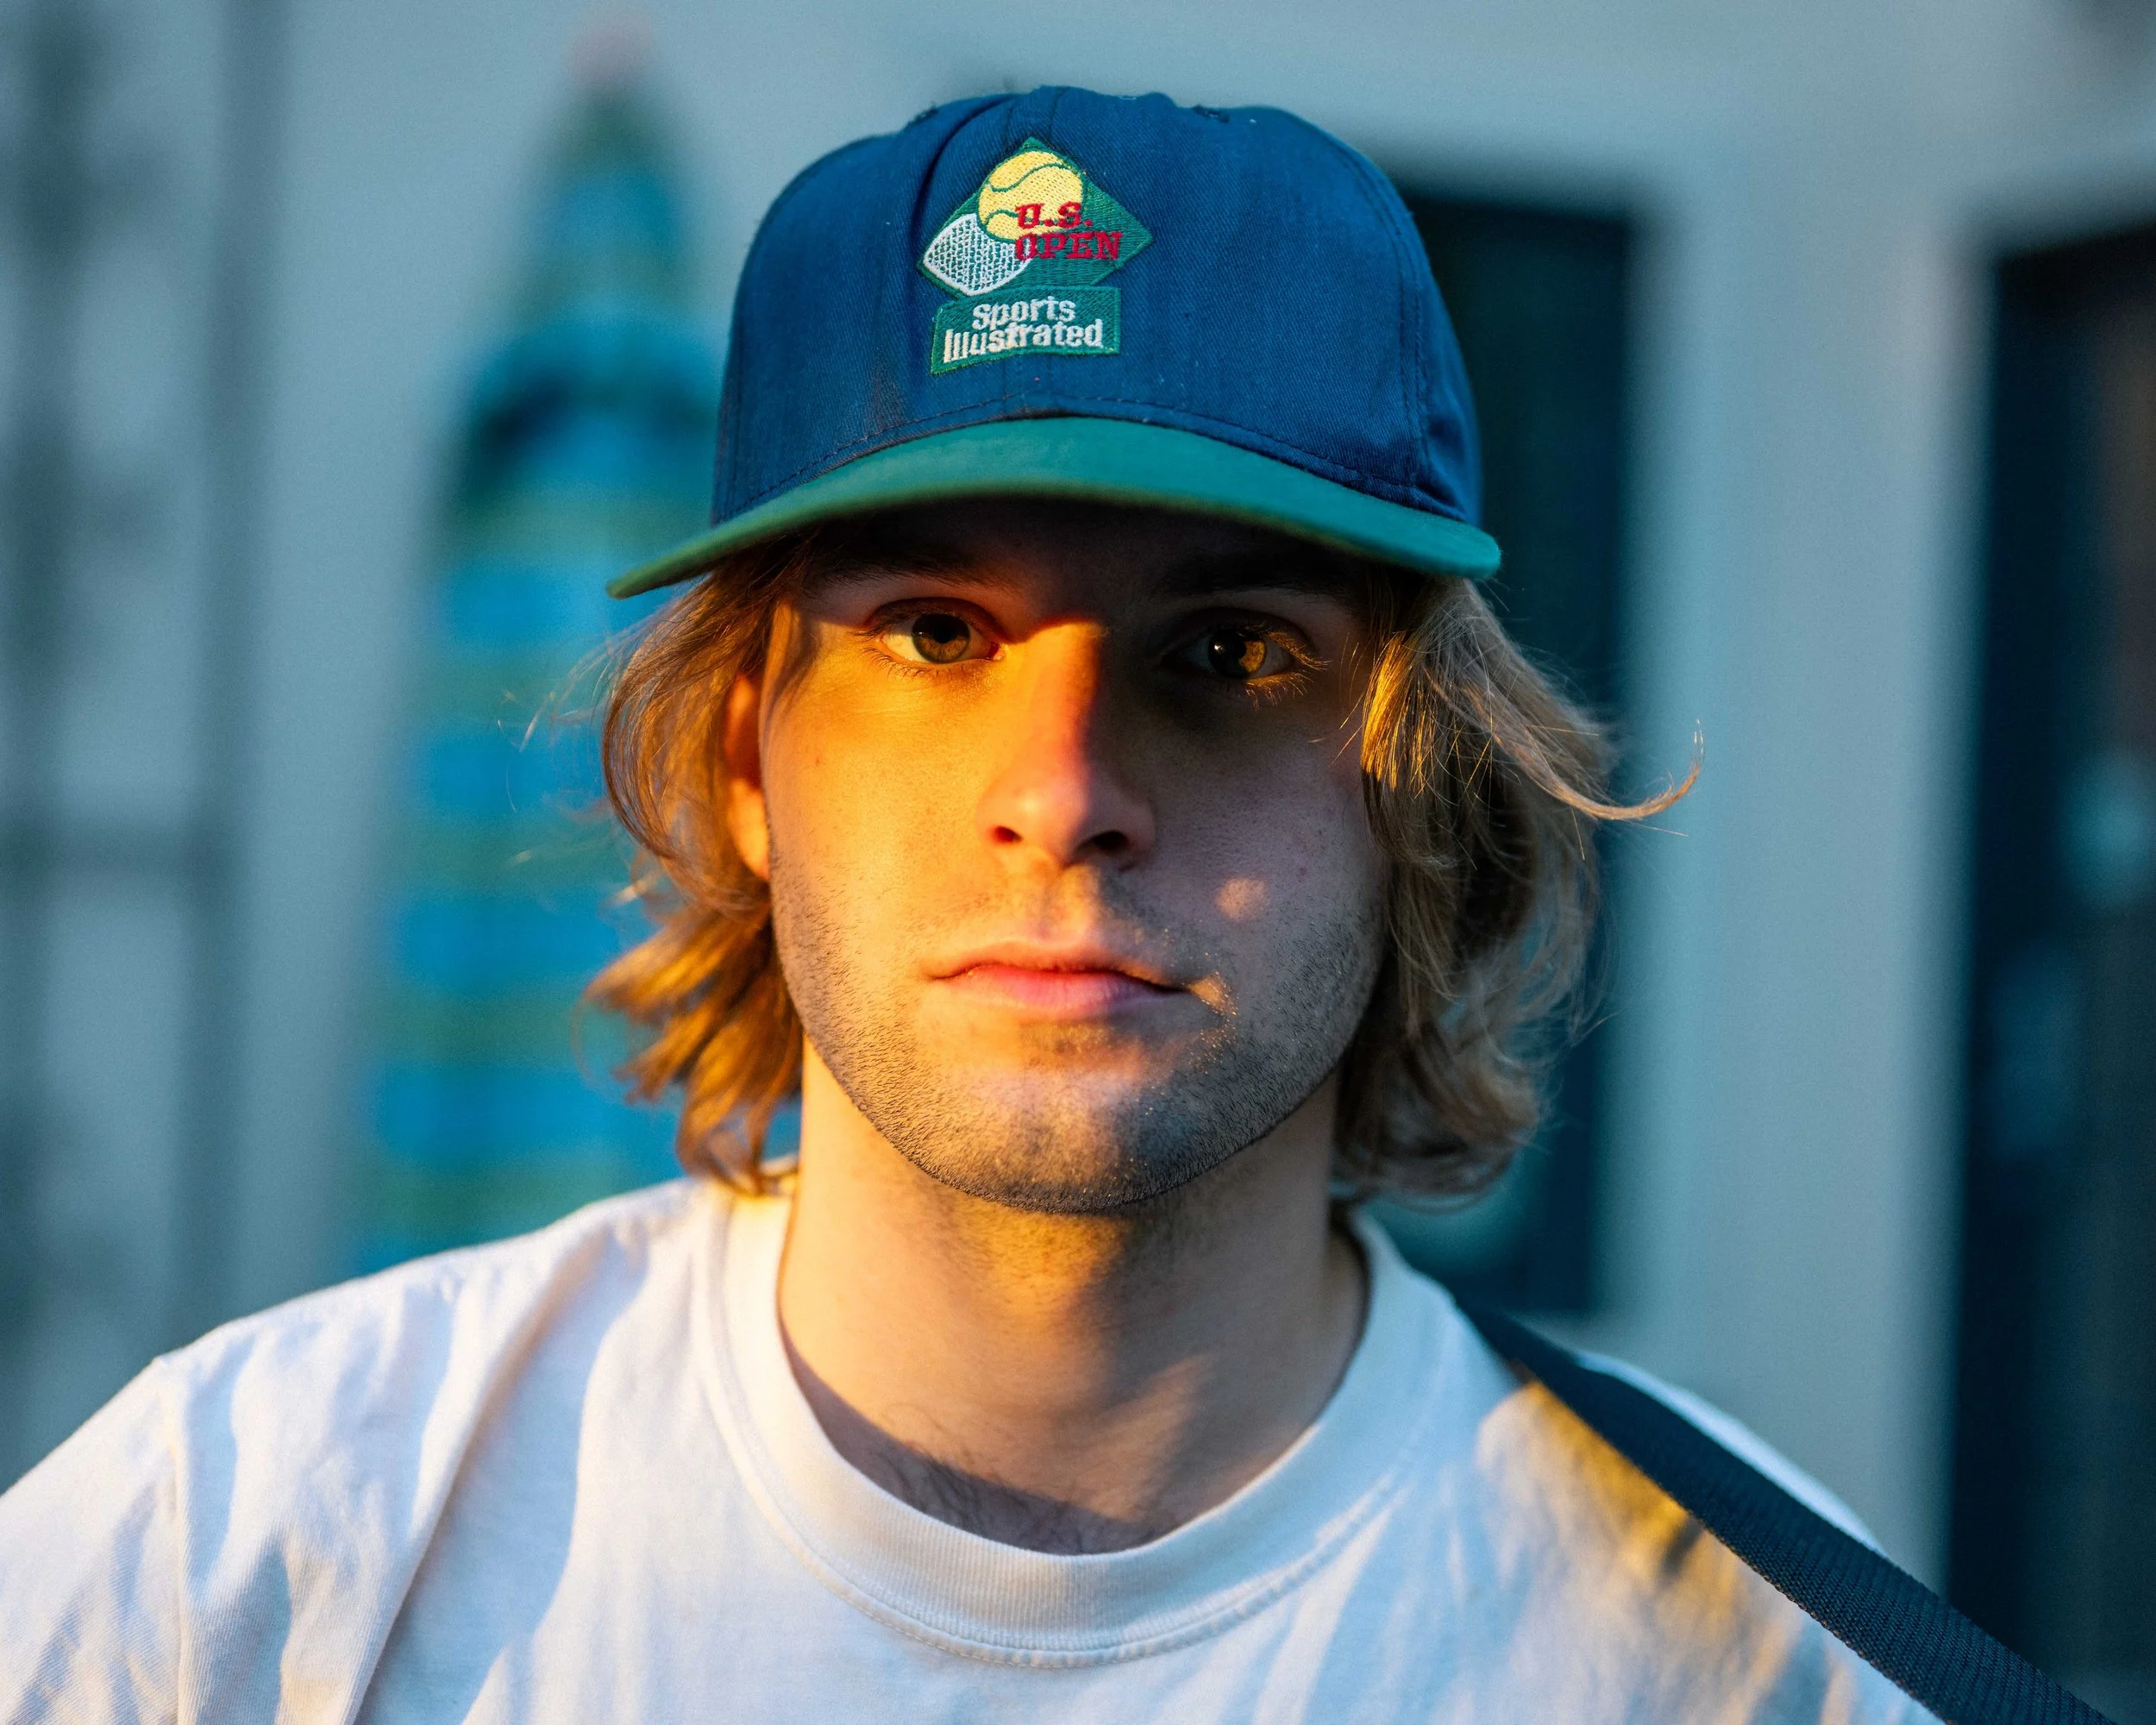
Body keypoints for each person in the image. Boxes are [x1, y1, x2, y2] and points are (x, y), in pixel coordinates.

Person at [0, 88, 1934, 1722]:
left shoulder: (1760, 1652)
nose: (1065, 794)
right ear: (747, 762)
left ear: (1416, 793)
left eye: (1233, 652)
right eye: (936, 633)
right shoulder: (235, 1554)